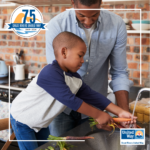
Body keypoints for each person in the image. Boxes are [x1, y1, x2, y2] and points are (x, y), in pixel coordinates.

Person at [10, 32, 136, 150]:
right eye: (80, 55)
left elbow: (92, 96)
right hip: (22, 119)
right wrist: (98, 114)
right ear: (64, 52)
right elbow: (70, 100)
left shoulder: (74, 78)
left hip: (39, 122)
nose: (83, 60)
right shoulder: (50, 72)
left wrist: (120, 112)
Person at [46, 0, 133, 136]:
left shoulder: (116, 24)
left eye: (94, 15)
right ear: (73, 3)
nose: (87, 21)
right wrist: (98, 114)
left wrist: (123, 114)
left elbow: (119, 72)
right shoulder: (57, 25)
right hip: (61, 109)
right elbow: (60, 83)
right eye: (81, 15)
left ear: (100, 3)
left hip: (94, 107)